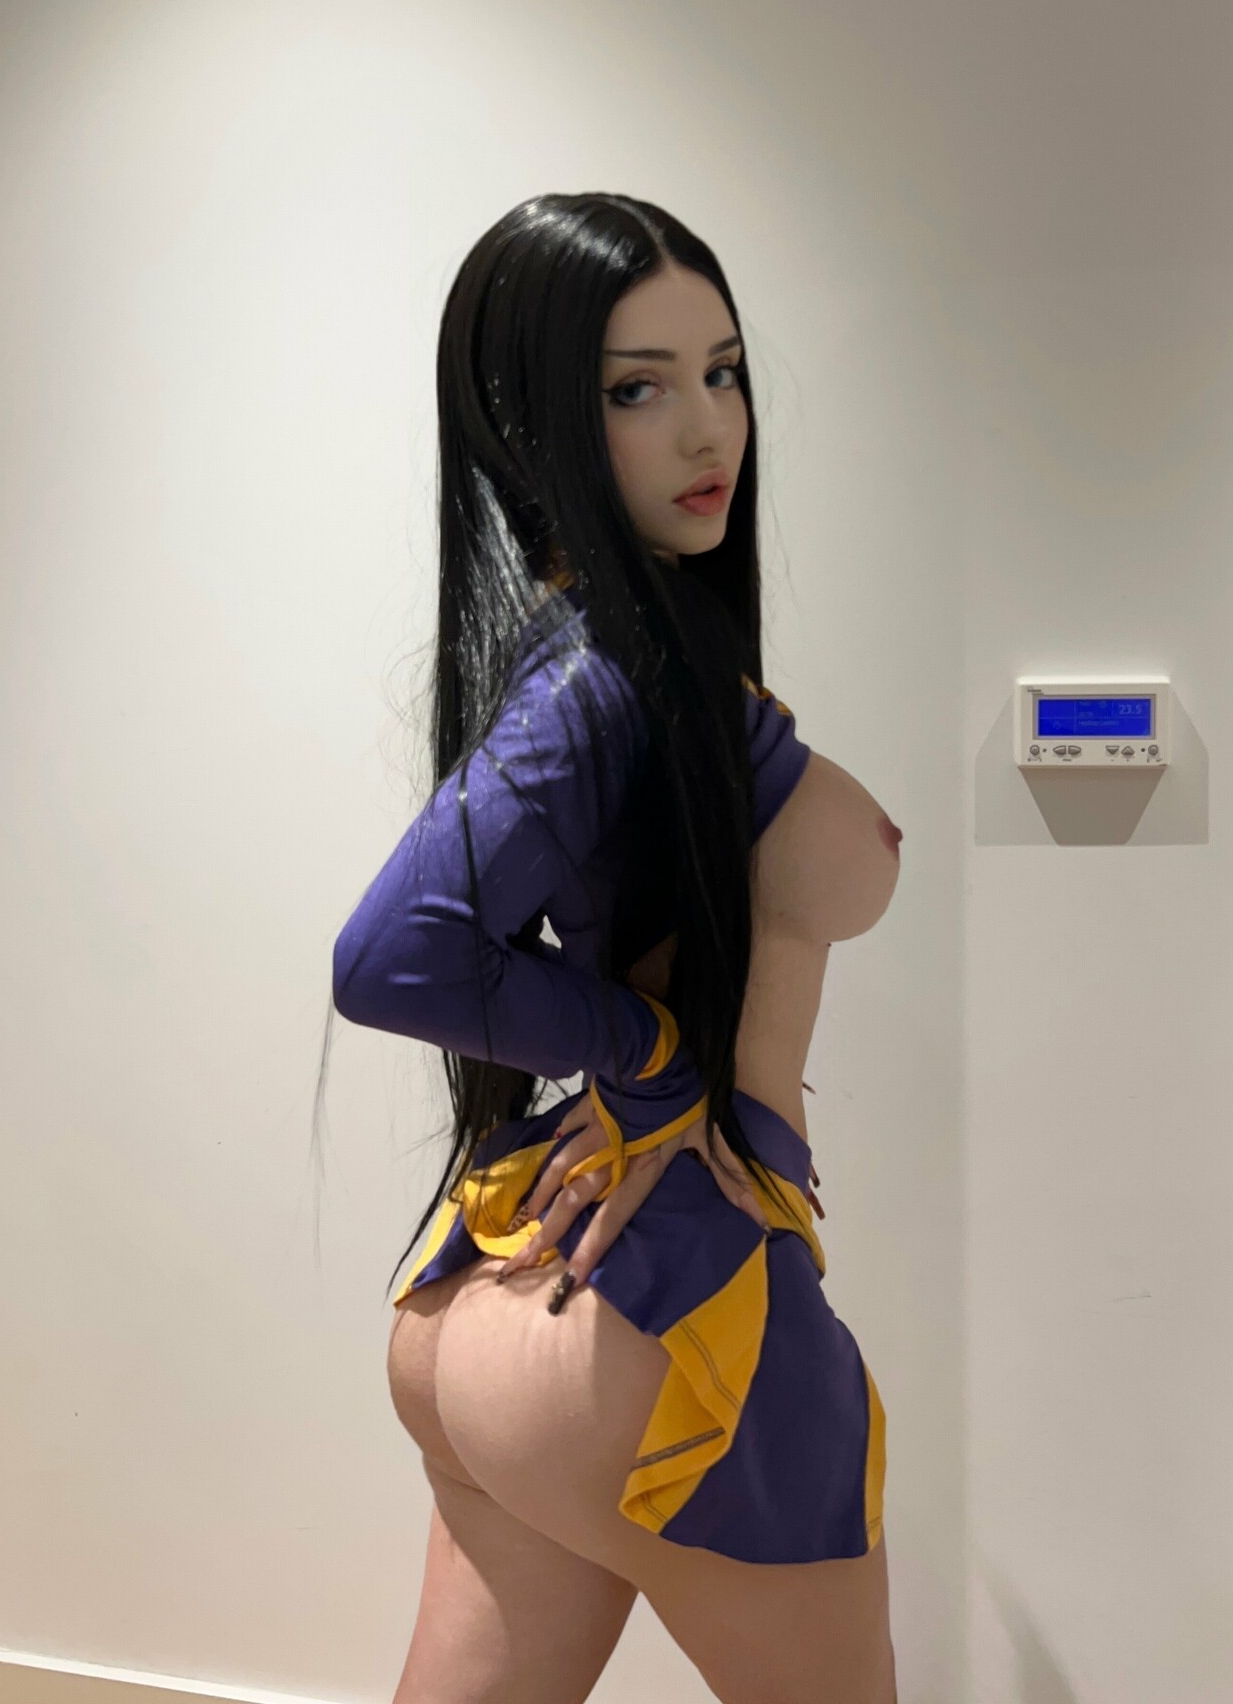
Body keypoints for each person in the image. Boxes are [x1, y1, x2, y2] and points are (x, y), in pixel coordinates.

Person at [327, 193, 904, 1703]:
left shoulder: (605, 658)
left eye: (723, 373)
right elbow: (391, 955)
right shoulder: (608, 680)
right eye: (637, 390)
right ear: (528, 429)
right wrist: (648, 1059)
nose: (708, 428)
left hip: (501, 1297)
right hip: (665, 1313)